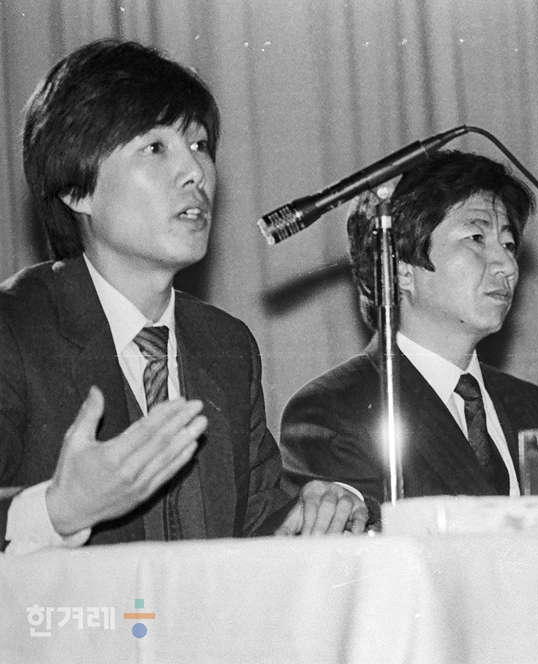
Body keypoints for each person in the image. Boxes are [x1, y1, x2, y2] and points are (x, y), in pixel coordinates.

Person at [0, 39, 367, 554]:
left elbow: (256, 527)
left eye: (199, 145)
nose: (196, 171)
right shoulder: (14, 328)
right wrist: (58, 510)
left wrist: (318, 514)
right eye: (155, 148)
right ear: (76, 189)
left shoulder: (226, 345)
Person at [280, 150, 538, 507]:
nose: (507, 264)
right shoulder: (333, 410)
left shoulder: (531, 404)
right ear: (401, 269)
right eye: (476, 238)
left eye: (508, 244)